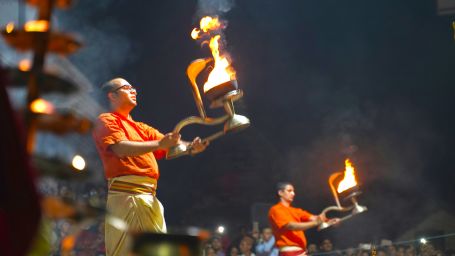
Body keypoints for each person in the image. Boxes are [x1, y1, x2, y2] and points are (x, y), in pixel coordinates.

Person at [92, 77, 208, 256]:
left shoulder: (142, 128)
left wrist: (191, 148)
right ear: (112, 96)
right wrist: (160, 145)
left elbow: (170, 147)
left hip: (149, 198)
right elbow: (121, 148)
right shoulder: (106, 120)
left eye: (133, 87)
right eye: (127, 87)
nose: (134, 90)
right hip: (126, 198)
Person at [268, 182, 339, 256]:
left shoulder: (296, 211)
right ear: (280, 193)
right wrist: (316, 223)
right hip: (289, 253)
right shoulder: (276, 209)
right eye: (289, 191)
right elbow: (291, 226)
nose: (293, 193)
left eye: (293, 191)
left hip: (301, 252)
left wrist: (330, 221)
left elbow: (314, 218)